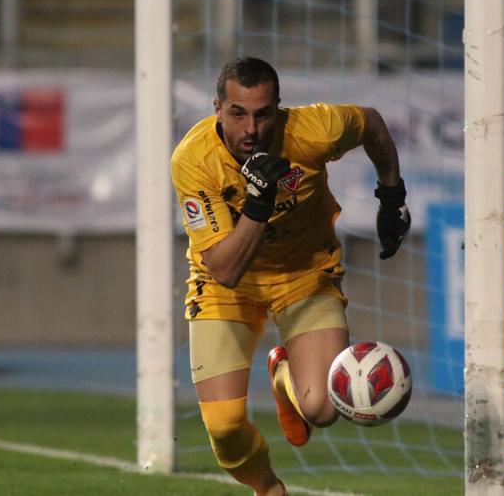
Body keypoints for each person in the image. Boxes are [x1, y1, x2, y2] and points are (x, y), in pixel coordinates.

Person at [170, 56, 410, 496]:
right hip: (227, 289)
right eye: (237, 114)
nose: (250, 129)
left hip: (304, 276)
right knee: (224, 427)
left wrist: (391, 197)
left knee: (322, 409)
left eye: (263, 114)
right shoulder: (194, 160)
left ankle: (283, 374)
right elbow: (224, 269)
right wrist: (259, 204)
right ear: (217, 108)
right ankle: (267, 488)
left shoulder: (314, 129)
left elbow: (372, 125)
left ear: (278, 109)